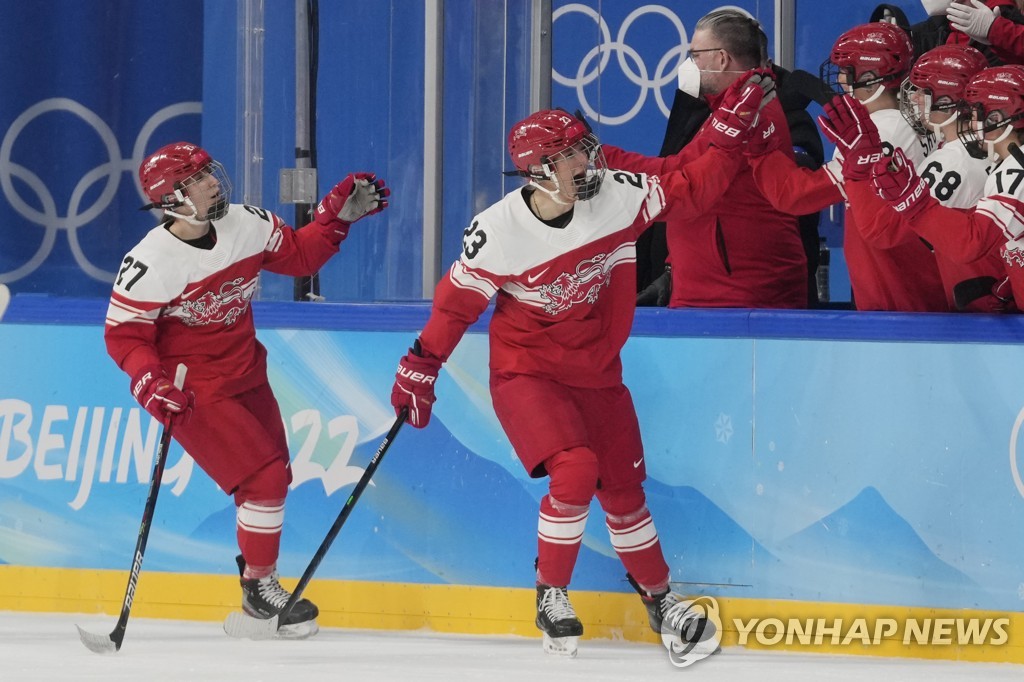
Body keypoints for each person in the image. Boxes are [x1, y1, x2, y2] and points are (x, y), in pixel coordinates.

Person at [388, 80, 771, 656]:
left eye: (581, 148)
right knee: (575, 469)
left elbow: (693, 188)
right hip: (529, 374)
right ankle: (551, 592)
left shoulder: (619, 194)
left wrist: (731, 133)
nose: (582, 162)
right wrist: (420, 366)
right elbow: (454, 305)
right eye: (563, 156)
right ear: (536, 173)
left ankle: (659, 599)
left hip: (598, 373)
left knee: (624, 493)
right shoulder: (498, 231)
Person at [104, 142, 388, 638]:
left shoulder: (247, 223)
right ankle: (260, 591)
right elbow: (125, 334)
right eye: (197, 178)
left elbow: (300, 257)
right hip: (193, 392)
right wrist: (149, 381)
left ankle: (257, 584)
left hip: (247, 375)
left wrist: (334, 221)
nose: (214, 181)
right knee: (263, 479)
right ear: (171, 197)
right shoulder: (150, 261)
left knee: (275, 473)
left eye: (210, 172)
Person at [747, 21, 948, 311]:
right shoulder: (916, 121)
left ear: (871, 76)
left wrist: (758, 142)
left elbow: (797, 195)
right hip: (913, 280)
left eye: (846, 71)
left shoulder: (878, 130)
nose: (840, 79)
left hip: (896, 289)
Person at [626, 9, 810, 309]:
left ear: (722, 58)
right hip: (713, 288)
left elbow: (687, 184)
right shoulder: (729, 108)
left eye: (696, 54)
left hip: (737, 295)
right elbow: (681, 171)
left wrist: (605, 166)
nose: (691, 63)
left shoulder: (752, 113)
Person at [844, 44, 1010, 311]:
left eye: (924, 92)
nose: (914, 100)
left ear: (948, 100)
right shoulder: (973, 148)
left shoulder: (953, 160)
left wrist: (858, 172)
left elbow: (884, 232)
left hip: (979, 308)